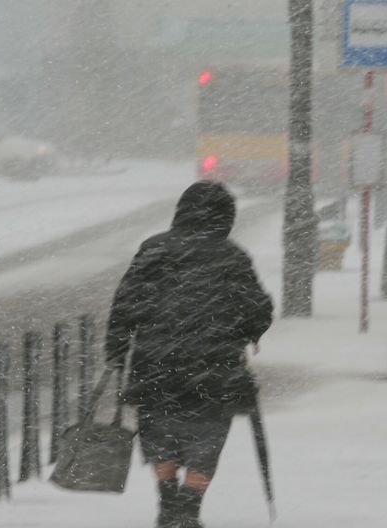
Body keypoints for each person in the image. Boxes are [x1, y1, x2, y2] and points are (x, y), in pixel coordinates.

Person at [105, 182, 273, 528]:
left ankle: (168, 499)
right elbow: (258, 308)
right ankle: (189, 505)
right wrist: (248, 331)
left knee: (159, 431)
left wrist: (117, 348)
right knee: (207, 435)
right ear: (225, 217)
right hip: (214, 365)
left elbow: (125, 303)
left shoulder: (153, 249)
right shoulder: (232, 256)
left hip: (156, 362)